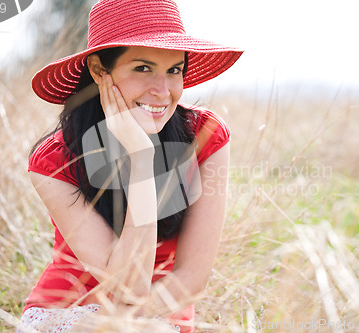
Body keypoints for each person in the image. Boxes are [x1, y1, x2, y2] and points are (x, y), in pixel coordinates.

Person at [16, 0, 243, 332]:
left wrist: (130, 324)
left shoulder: (205, 136)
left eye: (174, 70)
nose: (162, 91)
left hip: (159, 317)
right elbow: (127, 287)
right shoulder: (54, 159)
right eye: (142, 68)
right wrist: (139, 160)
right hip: (68, 314)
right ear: (98, 71)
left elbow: (191, 278)